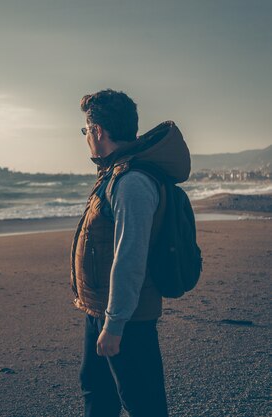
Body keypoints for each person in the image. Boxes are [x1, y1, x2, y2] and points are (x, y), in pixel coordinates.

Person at [70, 89, 191, 417]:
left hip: (127, 318)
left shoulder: (132, 182)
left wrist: (115, 324)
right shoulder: (115, 173)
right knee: (97, 394)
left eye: (86, 131)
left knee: (144, 404)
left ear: (97, 132)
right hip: (100, 309)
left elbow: (129, 258)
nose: (86, 138)